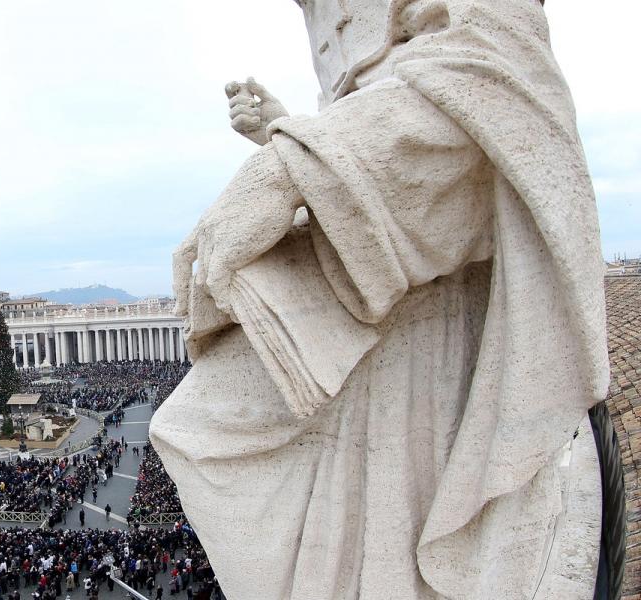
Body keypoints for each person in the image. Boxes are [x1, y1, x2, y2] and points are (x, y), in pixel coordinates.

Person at [151, 1, 608, 598]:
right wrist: (289, 133)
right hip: (385, 276)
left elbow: (495, 88)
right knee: (199, 429)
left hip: (438, 300)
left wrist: (288, 166)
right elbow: (389, 109)